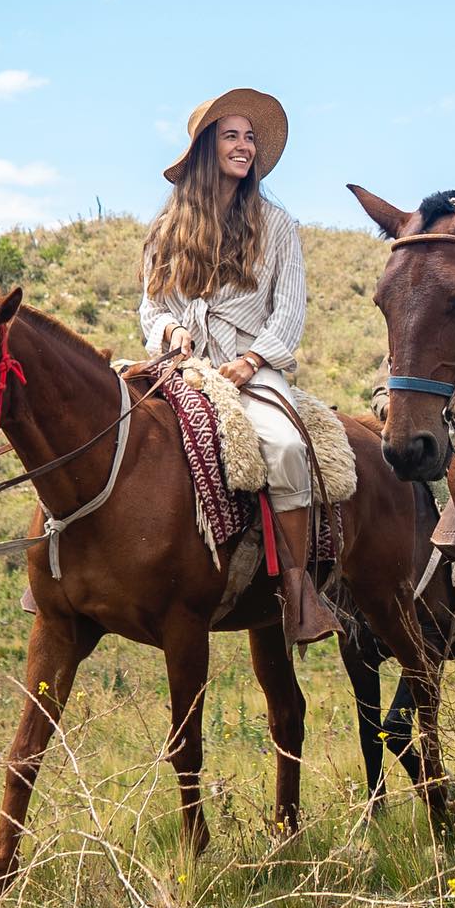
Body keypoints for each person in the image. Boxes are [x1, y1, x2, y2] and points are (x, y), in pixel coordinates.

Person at [140, 89, 341, 646]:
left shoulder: (277, 225)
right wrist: (172, 331)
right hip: (183, 364)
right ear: (206, 148)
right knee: (100, 415)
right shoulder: (167, 228)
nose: (244, 146)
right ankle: (57, 560)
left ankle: (299, 590)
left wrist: (254, 360)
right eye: (231, 135)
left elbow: (290, 308)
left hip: (252, 364)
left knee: (285, 447)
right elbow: (151, 306)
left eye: (250, 137)